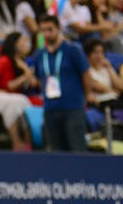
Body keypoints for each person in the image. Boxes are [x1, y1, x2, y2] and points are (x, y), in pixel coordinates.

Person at [33, 14, 91, 151]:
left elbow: (86, 74)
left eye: (50, 29)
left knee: (77, 148)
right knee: (56, 151)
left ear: (58, 29)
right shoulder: (40, 55)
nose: (47, 34)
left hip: (72, 108)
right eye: (43, 31)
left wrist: (87, 96)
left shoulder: (72, 50)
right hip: (50, 109)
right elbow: (38, 78)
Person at [85, 39, 123, 107]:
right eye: (96, 53)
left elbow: (120, 86)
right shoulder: (86, 70)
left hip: (113, 100)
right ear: (88, 55)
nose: (99, 56)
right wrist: (112, 91)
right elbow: (97, 86)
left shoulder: (106, 68)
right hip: (100, 102)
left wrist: (109, 68)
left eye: (101, 53)